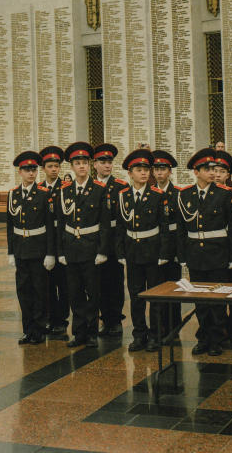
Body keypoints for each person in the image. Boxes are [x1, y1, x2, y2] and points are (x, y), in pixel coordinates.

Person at [175, 148, 232, 356]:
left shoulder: (225, 194)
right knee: (200, 300)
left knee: (217, 300)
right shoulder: (185, 195)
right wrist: (182, 256)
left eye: (214, 168)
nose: (212, 172)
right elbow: (181, 229)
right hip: (195, 254)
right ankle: (203, 338)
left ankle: (216, 339)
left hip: (217, 254)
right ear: (196, 172)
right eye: (207, 169)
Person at [115, 149, 174, 352]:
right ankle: (139, 334)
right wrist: (120, 253)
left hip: (153, 250)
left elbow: (164, 226)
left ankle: (155, 335)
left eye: (146, 170)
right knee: (136, 296)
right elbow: (120, 228)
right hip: (132, 251)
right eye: (139, 170)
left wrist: (164, 254)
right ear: (130, 174)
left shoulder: (157, 195)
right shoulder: (123, 196)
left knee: (155, 296)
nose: (144, 174)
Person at [53, 142, 111, 348]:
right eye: (78, 163)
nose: (82, 167)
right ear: (72, 167)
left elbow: (105, 223)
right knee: (74, 293)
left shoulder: (99, 189)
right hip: (71, 248)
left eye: (85, 163)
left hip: (91, 248)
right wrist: (60, 252)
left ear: (90, 165)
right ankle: (79, 333)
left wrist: (103, 251)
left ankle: (92, 332)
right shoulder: (64, 191)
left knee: (93, 293)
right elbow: (60, 223)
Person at [7, 151, 56, 345]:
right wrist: (11, 251)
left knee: (39, 291)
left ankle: (39, 329)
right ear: (20, 172)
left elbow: (51, 226)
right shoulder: (13, 194)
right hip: (20, 249)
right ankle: (27, 330)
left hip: (38, 249)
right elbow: (10, 225)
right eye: (27, 170)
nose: (31, 173)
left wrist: (50, 253)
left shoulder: (44, 194)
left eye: (34, 170)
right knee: (23, 291)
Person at [93, 143, 126, 338]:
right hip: (94, 241)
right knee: (96, 283)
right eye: (103, 162)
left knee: (114, 282)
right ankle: (103, 318)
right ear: (94, 164)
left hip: (114, 241)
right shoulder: (90, 185)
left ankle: (115, 320)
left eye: (109, 162)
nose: (107, 166)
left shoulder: (120, 186)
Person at [151, 149, 182, 338]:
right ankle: (159, 327)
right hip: (154, 247)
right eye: (157, 169)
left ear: (170, 172)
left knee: (173, 289)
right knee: (157, 288)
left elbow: (180, 226)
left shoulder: (178, 193)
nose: (160, 173)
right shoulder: (151, 193)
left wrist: (180, 250)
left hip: (172, 247)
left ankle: (174, 327)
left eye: (164, 169)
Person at [212, 150, 232, 346]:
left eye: (221, 171)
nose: (217, 174)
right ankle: (219, 329)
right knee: (216, 293)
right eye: (214, 170)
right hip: (214, 253)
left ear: (228, 174)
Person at [39, 145, 69, 338]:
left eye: (56, 166)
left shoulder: (66, 188)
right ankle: (49, 317)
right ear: (44, 168)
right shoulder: (39, 188)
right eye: (50, 166)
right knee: (46, 283)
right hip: (44, 242)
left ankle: (62, 320)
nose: (54, 169)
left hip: (63, 241)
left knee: (64, 283)